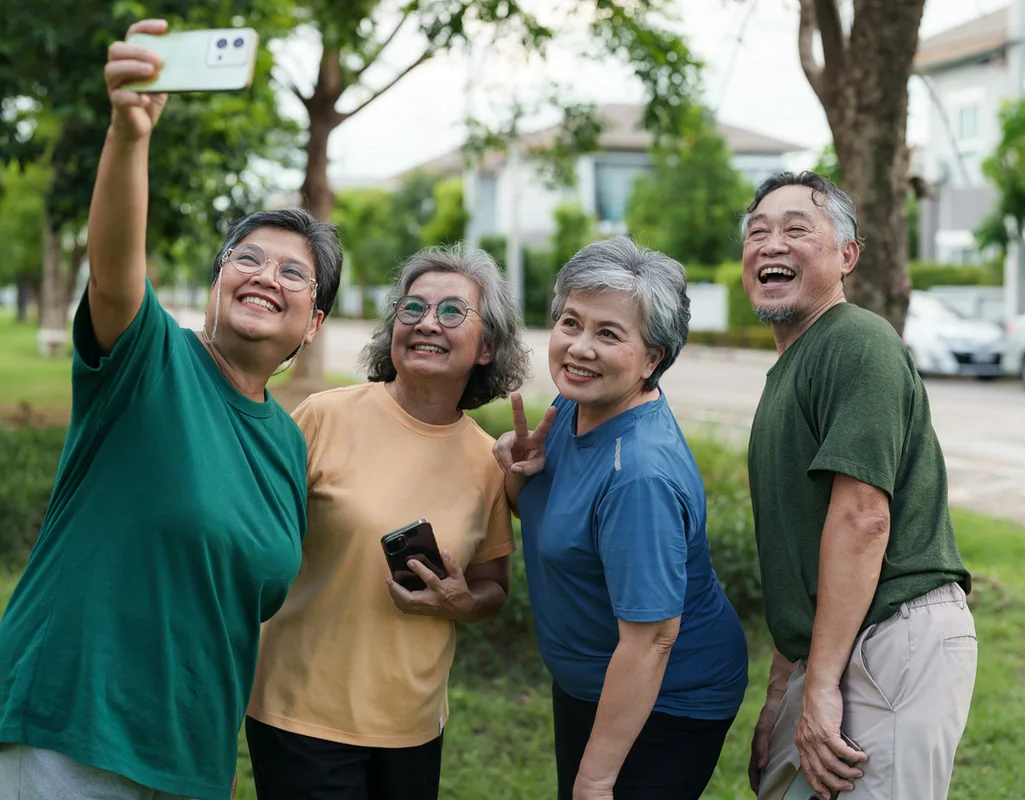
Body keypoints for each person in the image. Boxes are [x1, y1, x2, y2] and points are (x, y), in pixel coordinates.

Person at [0, 18, 344, 800]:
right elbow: (117, 269)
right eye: (246, 257)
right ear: (217, 284)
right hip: (77, 723)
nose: (265, 275)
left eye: (294, 273)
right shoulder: (150, 359)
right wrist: (130, 136)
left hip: (190, 748)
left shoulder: (286, 444)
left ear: (313, 323)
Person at [244, 244, 532, 800]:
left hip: (413, 722)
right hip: (300, 711)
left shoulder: (487, 462)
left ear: (487, 347)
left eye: (452, 312)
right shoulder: (324, 416)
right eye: (412, 308)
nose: (427, 323)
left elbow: (494, 586)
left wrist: (460, 602)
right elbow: (252, 544)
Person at [739, 171, 978, 800]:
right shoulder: (792, 367)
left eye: (797, 229)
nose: (771, 245)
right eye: (757, 232)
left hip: (891, 635)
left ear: (847, 256)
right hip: (835, 644)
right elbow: (800, 553)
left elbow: (862, 519)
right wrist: (780, 696)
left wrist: (818, 688)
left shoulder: (857, 341)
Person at [494, 237, 750, 800]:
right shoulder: (574, 408)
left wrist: (596, 779)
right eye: (570, 322)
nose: (579, 347)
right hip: (596, 682)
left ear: (653, 357)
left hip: (667, 698)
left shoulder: (639, 474)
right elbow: (563, 536)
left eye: (608, 333)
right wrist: (520, 475)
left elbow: (653, 639)